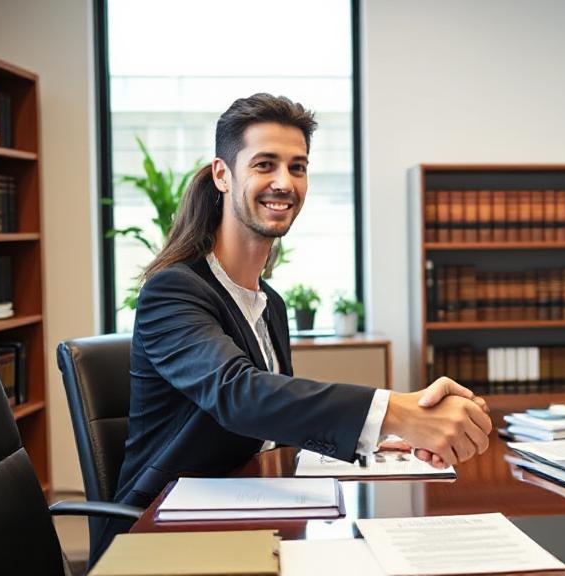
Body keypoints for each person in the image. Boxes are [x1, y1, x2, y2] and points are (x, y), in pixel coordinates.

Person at [94, 93, 491, 561]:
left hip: (249, 511)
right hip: (164, 531)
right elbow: (237, 393)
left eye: (297, 167)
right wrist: (396, 410)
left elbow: (272, 420)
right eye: (265, 165)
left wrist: (385, 437)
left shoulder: (271, 304)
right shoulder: (174, 291)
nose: (284, 182)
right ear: (223, 174)